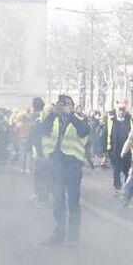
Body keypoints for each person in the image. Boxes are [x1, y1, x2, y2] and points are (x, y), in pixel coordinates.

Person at [38, 94, 90, 247]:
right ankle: (59, 235)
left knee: (73, 202)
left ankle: (73, 237)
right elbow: (43, 130)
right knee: (58, 202)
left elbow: (84, 131)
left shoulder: (79, 120)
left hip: (73, 165)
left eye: (67, 104)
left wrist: (69, 114)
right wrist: (53, 113)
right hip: (56, 166)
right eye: (61, 104)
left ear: (72, 106)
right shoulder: (53, 119)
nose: (64, 106)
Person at [105, 105, 133, 193]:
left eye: (123, 111)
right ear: (116, 112)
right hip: (115, 149)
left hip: (127, 150)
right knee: (116, 169)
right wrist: (106, 149)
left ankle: (126, 186)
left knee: (127, 169)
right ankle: (117, 186)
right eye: (119, 111)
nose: (121, 113)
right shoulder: (111, 121)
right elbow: (106, 134)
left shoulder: (130, 121)